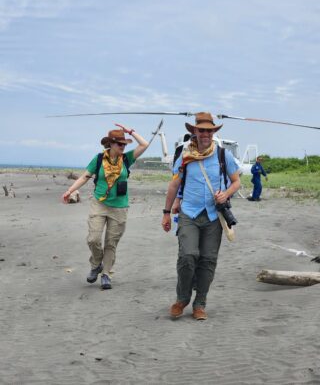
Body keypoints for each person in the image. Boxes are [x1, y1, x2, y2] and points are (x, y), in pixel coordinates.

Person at [162, 112, 240, 320]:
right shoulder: (185, 155)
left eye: (209, 130)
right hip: (189, 212)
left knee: (208, 260)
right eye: (201, 130)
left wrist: (226, 194)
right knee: (187, 255)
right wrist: (166, 212)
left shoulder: (224, 155)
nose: (205, 134)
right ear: (194, 131)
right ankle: (182, 299)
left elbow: (236, 182)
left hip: (215, 216)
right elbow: (174, 184)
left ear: (213, 132)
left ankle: (200, 304)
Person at [62, 124, 149, 290]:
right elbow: (85, 177)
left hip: (119, 207)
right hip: (99, 204)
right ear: (110, 144)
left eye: (125, 144)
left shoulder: (127, 159)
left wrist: (130, 131)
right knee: (93, 239)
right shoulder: (99, 159)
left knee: (111, 243)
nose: (123, 147)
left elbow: (144, 144)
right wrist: (69, 190)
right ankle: (96, 264)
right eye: (120, 144)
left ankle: (106, 274)